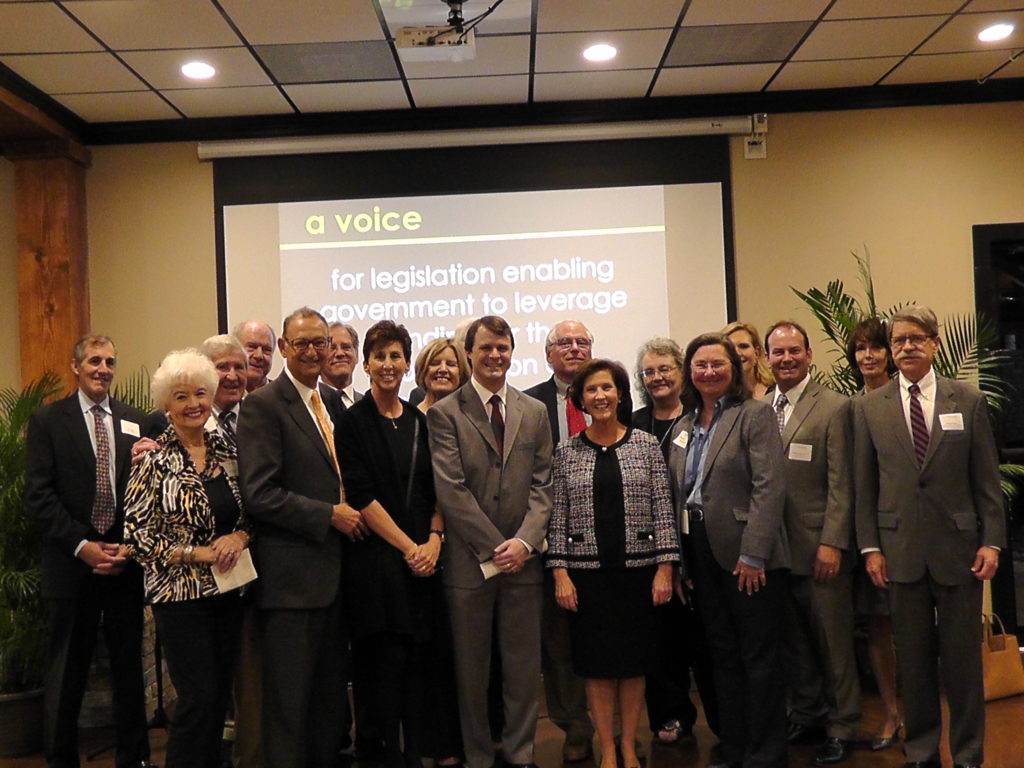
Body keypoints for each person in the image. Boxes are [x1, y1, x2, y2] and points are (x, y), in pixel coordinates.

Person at [854, 305, 1005, 768]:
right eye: (898, 340)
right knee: (914, 666)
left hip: (961, 553)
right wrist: (870, 547)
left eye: (916, 338)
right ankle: (921, 753)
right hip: (898, 554)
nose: (906, 347)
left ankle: (968, 755)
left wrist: (992, 541)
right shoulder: (868, 409)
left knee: (961, 666)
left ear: (935, 343)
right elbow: (864, 486)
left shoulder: (968, 400)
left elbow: (987, 482)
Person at [236, 307, 366, 768]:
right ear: (284, 349)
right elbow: (260, 493)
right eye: (303, 343)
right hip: (291, 582)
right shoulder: (263, 406)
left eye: (321, 343)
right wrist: (328, 515)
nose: (313, 351)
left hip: (336, 578)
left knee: (327, 707)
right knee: (288, 707)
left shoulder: (329, 403)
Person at [24, 334, 158, 768]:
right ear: (76, 366)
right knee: (67, 672)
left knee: (127, 671)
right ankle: (61, 759)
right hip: (72, 565)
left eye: (110, 362)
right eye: (95, 361)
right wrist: (83, 546)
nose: (104, 369)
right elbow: (39, 496)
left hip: (122, 564)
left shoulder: (135, 420)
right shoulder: (48, 420)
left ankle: (134, 758)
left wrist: (126, 547)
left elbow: (144, 494)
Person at [427, 315, 553, 768]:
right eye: (485, 349)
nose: (494, 356)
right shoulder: (445, 414)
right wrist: (495, 548)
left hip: (524, 564)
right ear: (469, 354)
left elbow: (544, 485)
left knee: (522, 673)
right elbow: (451, 490)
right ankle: (478, 756)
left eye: (502, 348)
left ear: (512, 351)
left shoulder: (533, 412)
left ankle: (521, 754)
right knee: (471, 674)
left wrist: (523, 543)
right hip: (469, 566)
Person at [336, 320, 462, 768]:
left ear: (408, 363)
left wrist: (434, 540)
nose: (388, 365)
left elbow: (438, 490)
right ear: (366, 363)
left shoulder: (421, 421)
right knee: (378, 676)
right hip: (376, 567)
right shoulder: (350, 423)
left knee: (418, 672)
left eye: (395, 356)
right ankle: (380, 756)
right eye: (379, 356)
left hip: (424, 565)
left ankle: (418, 754)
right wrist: (410, 548)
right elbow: (361, 494)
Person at [123, 349, 251, 768]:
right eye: (181, 397)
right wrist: (196, 554)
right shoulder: (153, 461)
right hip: (179, 597)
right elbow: (138, 537)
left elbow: (251, 510)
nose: (193, 404)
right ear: (166, 405)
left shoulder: (226, 449)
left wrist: (240, 534)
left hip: (229, 591)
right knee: (196, 698)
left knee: (218, 698)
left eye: (200, 393)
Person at [547, 359, 677, 768]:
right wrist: (561, 573)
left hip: (638, 574)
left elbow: (663, 509)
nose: (600, 396)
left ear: (621, 394)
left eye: (607, 388)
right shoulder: (566, 451)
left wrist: (665, 567)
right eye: (591, 390)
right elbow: (558, 516)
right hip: (587, 578)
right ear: (580, 399)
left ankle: (628, 743)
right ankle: (606, 748)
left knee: (634, 664)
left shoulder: (645, 444)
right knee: (598, 667)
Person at [667, 332, 788, 768]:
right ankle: (734, 745)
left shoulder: (754, 415)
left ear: (734, 370)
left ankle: (767, 750)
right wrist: (681, 563)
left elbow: (769, 487)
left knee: (758, 655)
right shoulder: (683, 426)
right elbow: (677, 496)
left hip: (745, 553)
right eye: (700, 365)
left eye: (718, 364)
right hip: (699, 549)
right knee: (721, 653)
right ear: (690, 373)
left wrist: (754, 554)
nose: (709, 371)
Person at [525, 319, 632, 762]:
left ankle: (619, 732)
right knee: (558, 641)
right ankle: (574, 725)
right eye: (564, 342)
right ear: (548, 353)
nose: (573, 348)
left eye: (582, 342)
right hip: (549, 541)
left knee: (610, 637)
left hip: (609, 545)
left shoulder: (613, 403)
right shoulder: (528, 405)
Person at [764, 322, 859, 766]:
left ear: (808, 355)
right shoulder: (761, 407)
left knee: (832, 643)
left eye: (793, 351)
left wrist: (833, 542)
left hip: (819, 549)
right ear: (767, 358)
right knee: (794, 643)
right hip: (775, 551)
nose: (786, 359)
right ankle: (808, 713)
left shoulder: (835, 407)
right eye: (778, 352)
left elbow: (843, 482)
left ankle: (842, 725)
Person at [631, 337, 719, 745]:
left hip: (697, 544)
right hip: (650, 549)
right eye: (649, 371)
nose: (657, 378)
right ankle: (671, 715)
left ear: (681, 372)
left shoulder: (701, 419)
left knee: (703, 637)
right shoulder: (633, 423)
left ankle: (722, 719)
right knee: (660, 639)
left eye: (665, 369)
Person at [844, 317, 902, 752]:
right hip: (867, 537)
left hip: (908, 531)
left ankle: (919, 714)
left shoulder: (910, 400)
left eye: (875, 348)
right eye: (861, 349)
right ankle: (891, 711)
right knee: (878, 626)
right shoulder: (850, 408)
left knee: (913, 627)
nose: (868, 356)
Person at [414, 336, 471, 414]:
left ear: (461, 372)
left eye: (451, 364)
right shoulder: (412, 418)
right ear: (422, 370)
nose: (443, 369)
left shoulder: (474, 416)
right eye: (435, 364)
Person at [723, 321, 773, 400]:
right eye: (730, 347)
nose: (737, 353)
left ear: (757, 353)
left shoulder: (776, 390)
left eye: (743, 346)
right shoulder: (719, 396)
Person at [321, 322, 362, 409]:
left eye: (346, 347)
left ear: (357, 355)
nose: (340, 353)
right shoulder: (309, 405)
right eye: (331, 348)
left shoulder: (371, 406)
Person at [233, 319, 276, 393]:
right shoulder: (218, 397)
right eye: (252, 347)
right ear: (234, 349)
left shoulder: (285, 397)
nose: (259, 355)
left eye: (266, 349)